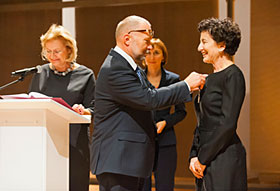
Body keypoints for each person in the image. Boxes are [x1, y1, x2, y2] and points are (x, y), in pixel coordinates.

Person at [90, 15, 206, 191]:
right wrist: (186, 85)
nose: (150, 46)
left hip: (127, 160)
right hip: (119, 160)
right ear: (127, 38)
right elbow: (149, 99)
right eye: (147, 39)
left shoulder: (129, 66)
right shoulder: (116, 67)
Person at [29, 24, 95, 191]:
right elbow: (32, 103)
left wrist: (83, 109)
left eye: (56, 51)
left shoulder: (86, 75)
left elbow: (95, 108)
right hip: (46, 141)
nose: (52, 56)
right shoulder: (40, 73)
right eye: (48, 51)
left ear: (68, 50)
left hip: (75, 142)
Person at [188, 17, 247, 190]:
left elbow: (228, 124)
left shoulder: (233, 75)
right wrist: (193, 155)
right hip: (205, 157)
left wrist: (202, 158)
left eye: (204, 42)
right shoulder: (207, 79)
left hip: (224, 157)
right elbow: (202, 122)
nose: (199, 48)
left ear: (221, 45)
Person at [142, 38, 186, 191]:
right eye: (148, 53)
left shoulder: (173, 79)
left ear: (163, 57)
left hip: (166, 141)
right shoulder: (136, 79)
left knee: (165, 187)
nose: (152, 57)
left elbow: (181, 112)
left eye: (156, 53)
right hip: (142, 142)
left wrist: (165, 122)